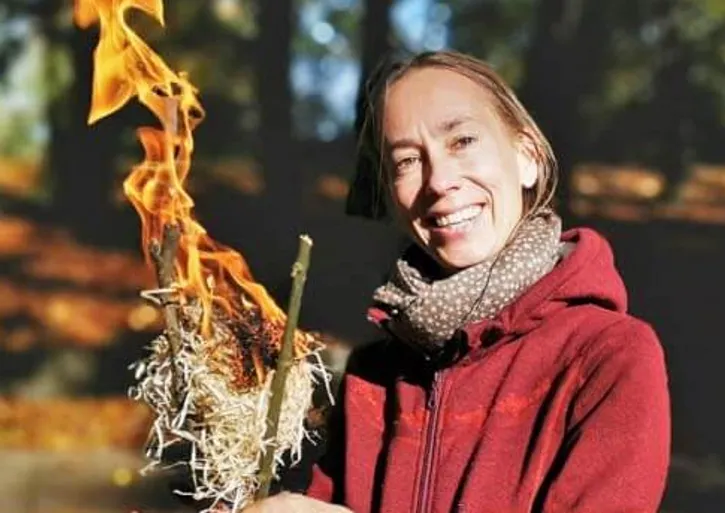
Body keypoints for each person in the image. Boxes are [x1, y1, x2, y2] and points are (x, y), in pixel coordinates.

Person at [245, 50, 671, 513]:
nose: (440, 180)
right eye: (406, 161)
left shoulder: (608, 356)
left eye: (463, 140)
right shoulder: (373, 375)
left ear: (527, 157)